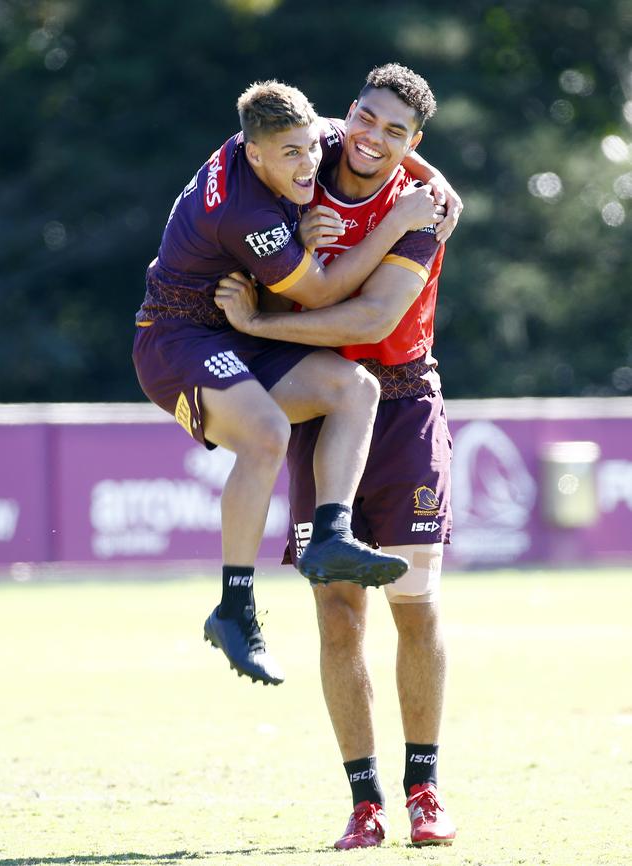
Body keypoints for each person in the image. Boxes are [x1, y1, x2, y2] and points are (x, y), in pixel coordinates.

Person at [132, 80, 452, 688]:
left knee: (356, 388)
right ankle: (234, 608)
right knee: (266, 434)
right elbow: (325, 293)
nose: (310, 166)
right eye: (292, 157)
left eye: (311, 149)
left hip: (243, 332)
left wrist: (438, 181)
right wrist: (403, 219)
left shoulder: (297, 136)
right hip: (179, 337)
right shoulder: (248, 213)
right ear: (255, 156)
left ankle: (331, 534)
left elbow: (366, 132)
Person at [215, 64, 458, 847]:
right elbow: (250, 153)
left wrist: (258, 326)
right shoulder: (304, 161)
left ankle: (424, 791)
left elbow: (373, 310)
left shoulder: (422, 209)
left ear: (413, 145)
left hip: (403, 397)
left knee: (415, 602)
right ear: (344, 114)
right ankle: (365, 803)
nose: (372, 139)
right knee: (338, 613)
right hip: (325, 403)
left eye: (396, 133)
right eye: (365, 118)